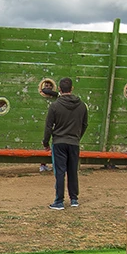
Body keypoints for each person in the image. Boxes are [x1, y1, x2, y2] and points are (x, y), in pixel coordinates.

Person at [43, 76, 88, 209]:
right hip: (74, 142)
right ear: (72, 88)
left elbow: (48, 126)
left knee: (60, 172)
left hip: (59, 142)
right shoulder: (82, 106)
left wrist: (46, 142)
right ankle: (74, 199)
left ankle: (59, 201)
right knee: (73, 171)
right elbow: (84, 124)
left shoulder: (55, 106)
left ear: (60, 89)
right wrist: (77, 137)